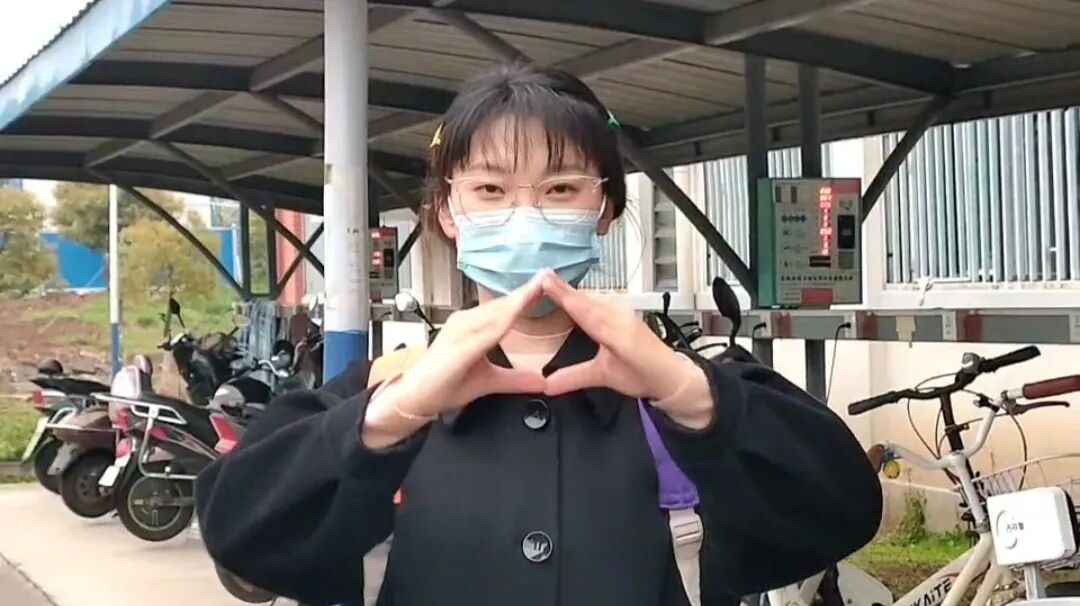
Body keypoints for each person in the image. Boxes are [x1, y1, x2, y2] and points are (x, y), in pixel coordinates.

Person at [195, 63, 882, 606]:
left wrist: (690, 392)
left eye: (560, 189)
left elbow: (842, 510)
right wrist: (391, 416)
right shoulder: (379, 394)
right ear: (448, 211)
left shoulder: (693, 394)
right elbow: (240, 537)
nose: (526, 216)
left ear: (605, 207)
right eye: (491, 191)